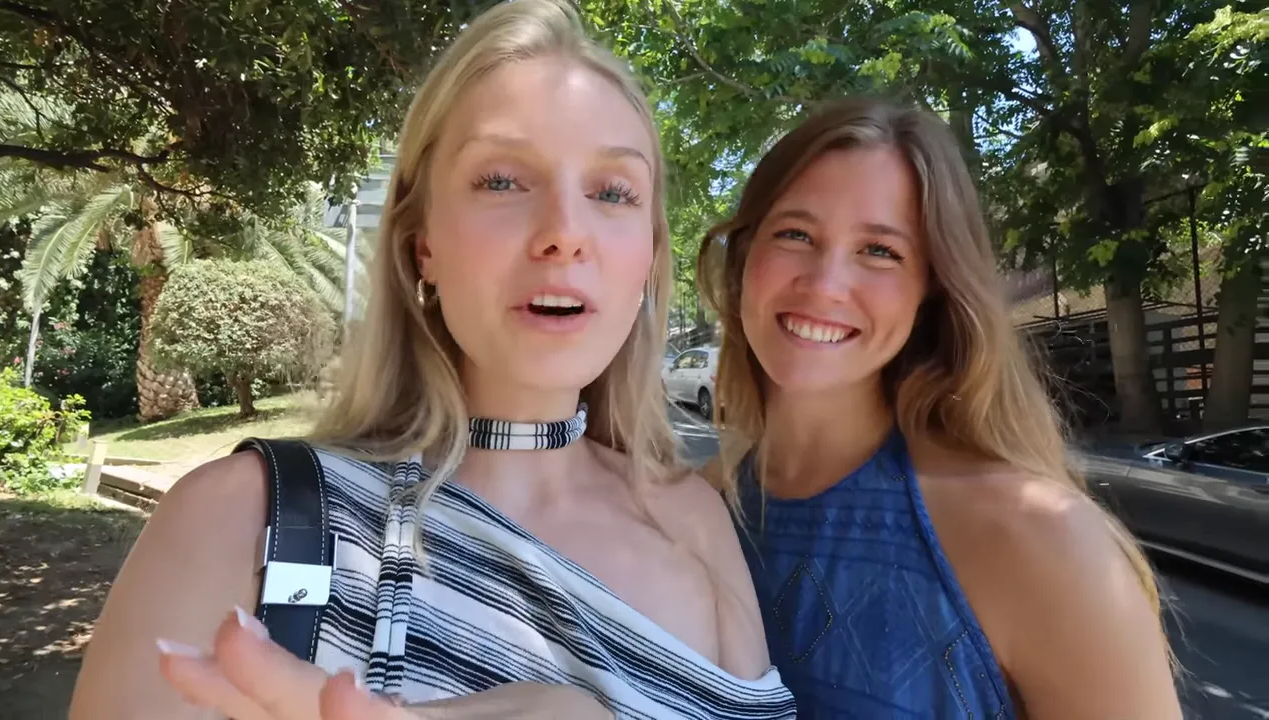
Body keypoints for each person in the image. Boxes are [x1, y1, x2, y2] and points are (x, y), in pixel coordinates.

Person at [69, 1, 794, 718]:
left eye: (612, 192)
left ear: (648, 258)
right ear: (423, 244)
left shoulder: (697, 521)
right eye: (502, 181)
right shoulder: (237, 520)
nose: (566, 234)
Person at [697, 98, 1181, 719]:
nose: (824, 284)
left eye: (880, 251)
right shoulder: (697, 508)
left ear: (931, 289)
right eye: (795, 233)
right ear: (744, 260)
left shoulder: (1037, 536)